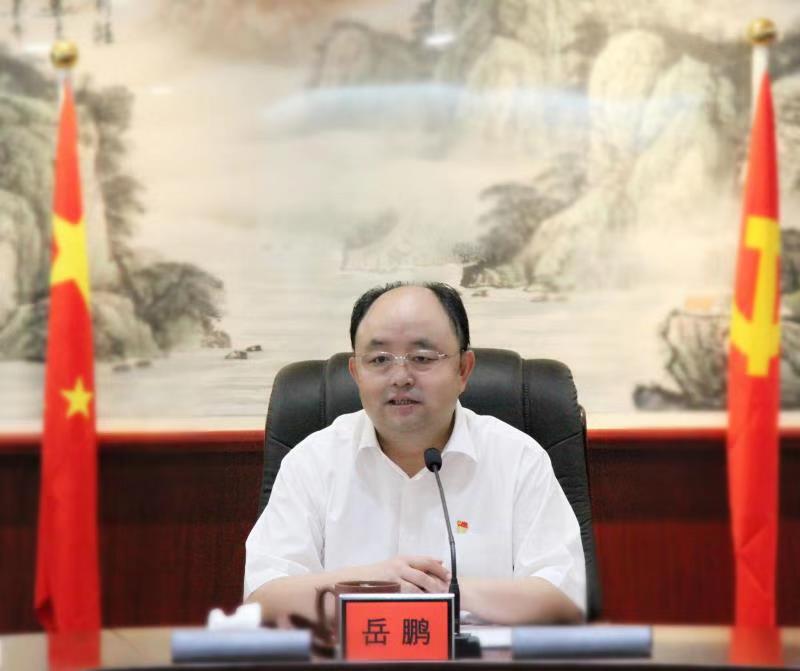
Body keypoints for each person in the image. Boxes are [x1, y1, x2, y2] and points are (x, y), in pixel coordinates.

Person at [244, 282, 586, 625]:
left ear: (463, 369)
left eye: (422, 358)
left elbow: (564, 601)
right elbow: (263, 599)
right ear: (356, 373)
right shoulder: (313, 462)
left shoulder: (518, 459)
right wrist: (372, 586)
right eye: (379, 360)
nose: (400, 377)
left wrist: (443, 592)